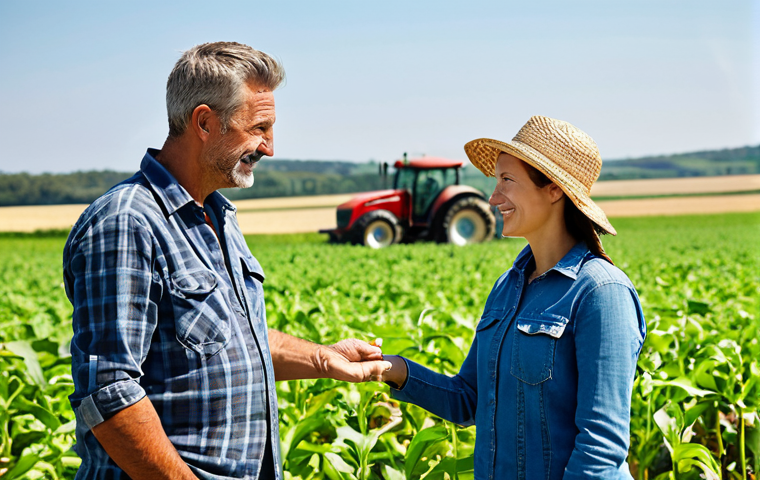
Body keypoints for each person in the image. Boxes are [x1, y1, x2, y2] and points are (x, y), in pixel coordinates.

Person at [62, 42, 392, 480]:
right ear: (204, 122)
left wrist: (321, 359)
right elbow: (109, 390)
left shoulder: (217, 213)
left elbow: (227, 341)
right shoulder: (127, 221)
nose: (269, 148)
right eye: (259, 128)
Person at [381, 116, 647, 479]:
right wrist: (390, 369)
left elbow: (599, 451)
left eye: (507, 180)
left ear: (553, 189)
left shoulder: (601, 292)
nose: (493, 197)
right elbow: (469, 399)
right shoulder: (508, 286)